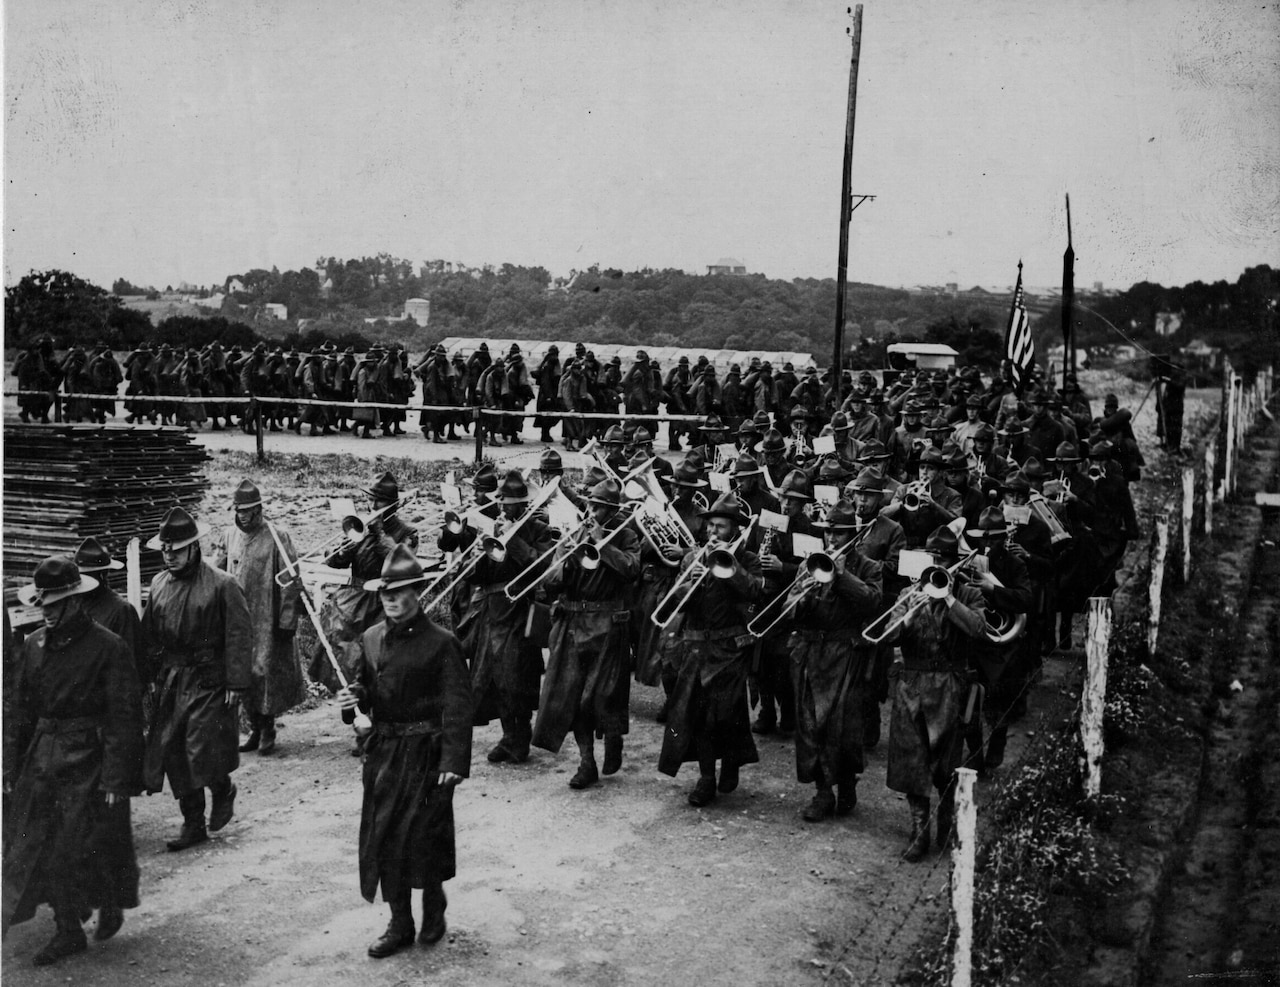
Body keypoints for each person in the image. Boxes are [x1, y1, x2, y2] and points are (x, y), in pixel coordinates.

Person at [3, 556, 144, 964]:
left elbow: (124, 717)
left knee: (76, 847)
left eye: (52, 605)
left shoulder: (107, 647)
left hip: (88, 760)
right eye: (41, 604)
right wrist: (9, 767)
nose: (45, 613)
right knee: (31, 844)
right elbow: (20, 711)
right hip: (41, 759)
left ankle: (92, 914)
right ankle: (68, 925)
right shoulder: (33, 646)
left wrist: (117, 779)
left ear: (73, 602)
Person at [336, 546, 472, 958]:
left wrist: (453, 761)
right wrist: (353, 700)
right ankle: (400, 923)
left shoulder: (442, 643)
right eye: (386, 595)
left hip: (427, 756)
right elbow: (366, 688)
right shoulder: (372, 638)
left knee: (423, 838)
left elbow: (458, 707)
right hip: (384, 754)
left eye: (400, 593)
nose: (392, 601)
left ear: (418, 592)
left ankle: (433, 906)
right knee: (385, 837)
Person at [140, 507, 253, 851]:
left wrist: (236, 682)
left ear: (194, 548)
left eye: (177, 549)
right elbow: (150, 636)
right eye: (165, 549)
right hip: (173, 680)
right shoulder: (159, 585)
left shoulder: (222, 585)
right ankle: (193, 823)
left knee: (201, 748)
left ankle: (222, 788)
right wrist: (147, 678)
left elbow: (238, 635)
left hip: (209, 680)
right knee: (173, 750)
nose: (170, 556)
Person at [882, 526, 988, 861]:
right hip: (911, 684)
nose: (936, 564)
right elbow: (887, 636)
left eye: (943, 558)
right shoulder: (908, 592)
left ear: (954, 562)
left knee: (946, 762)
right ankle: (919, 830)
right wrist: (910, 614)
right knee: (912, 760)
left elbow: (978, 628)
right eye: (933, 558)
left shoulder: (968, 594)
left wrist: (949, 598)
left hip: (949, 685)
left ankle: (945, 820)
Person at [532, 478, 642, 789]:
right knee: (573, 698)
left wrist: (602, 542)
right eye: (591, 505)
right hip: (572, 625)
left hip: (608, 625)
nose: (592, 512)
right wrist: (564, 561)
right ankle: (586, 760)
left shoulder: (627, 536)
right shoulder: (574, 535)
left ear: (613, 511)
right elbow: (550, 583)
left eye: (600, 508)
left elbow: (631, 570)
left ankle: (613, 735)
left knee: (601, 697)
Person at [658, 492, 763, 807]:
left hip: (730, 647)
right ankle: (706, 777)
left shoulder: (746, 559)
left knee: (727, 714)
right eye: (711, 527)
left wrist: (730, 569)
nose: (714, 533)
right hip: (695, 646)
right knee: (700, 716)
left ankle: (731, 761)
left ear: (734, 530)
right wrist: (689, 583)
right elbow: (677, 602)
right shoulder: (692, 558)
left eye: (721, 527)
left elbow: (755, 591)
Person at [787, 499, 883, 821]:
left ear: (853, 536)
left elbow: (872, 602)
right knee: (811, 726)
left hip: (846, 655)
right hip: (812, 654)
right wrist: (803, 593)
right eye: (829, 533)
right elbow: (790, 610)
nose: (832, 540)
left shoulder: (868, 566)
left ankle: (845, 782)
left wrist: (842, 578)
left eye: (840, 534)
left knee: (841, 728)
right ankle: (823, 792)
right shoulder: (810, 564)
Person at [453, 471, 555, 764]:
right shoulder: (493, 527)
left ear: (523, 505)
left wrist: (512, 539)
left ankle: (520, 736)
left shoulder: (538, 528)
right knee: (491, 678)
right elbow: (476, 577)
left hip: (520, 608)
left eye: (512, 504)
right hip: (491, 610)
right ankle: (507, 735)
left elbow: (542, 567)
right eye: (503, 503)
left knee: (516, 677)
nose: (506, 508)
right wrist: (483, 547)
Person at [212, 480, 305, 756]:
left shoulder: (277, 536)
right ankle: (253, 725)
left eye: (248, 510)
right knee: (241, 672)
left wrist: (287, 619)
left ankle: (267, 728)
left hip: (266, 615)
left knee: (263, 671)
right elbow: (215, 572)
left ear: (259, 509)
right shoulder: (229, 536)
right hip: (236, 617)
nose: (242, 516)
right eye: (239, 510)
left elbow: (291, 579)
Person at [73, 537, 141, 663]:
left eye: (89, 576)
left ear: (103, 575)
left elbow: (130, 660)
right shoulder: (73, 605)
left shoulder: (121, 610)